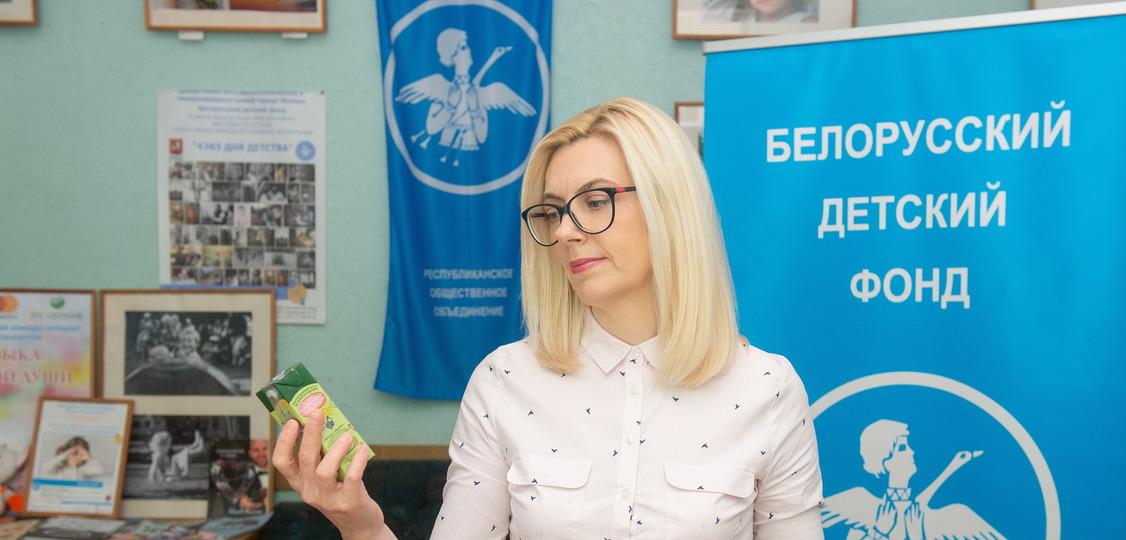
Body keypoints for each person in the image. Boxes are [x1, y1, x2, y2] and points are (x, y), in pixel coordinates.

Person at [272, 97, 824, 538]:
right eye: (553, 210)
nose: (563, 231)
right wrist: (362, 525)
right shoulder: (504, 381)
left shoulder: (767, 389)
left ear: (668, 206)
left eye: (595, 201)